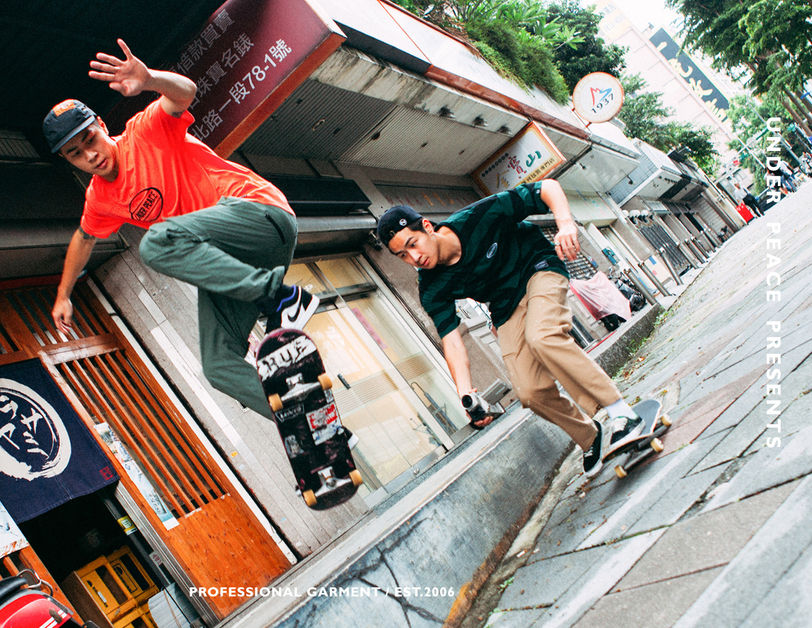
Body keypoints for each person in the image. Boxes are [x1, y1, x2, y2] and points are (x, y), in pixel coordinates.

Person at [43, 39, 319, 421]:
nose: (90, 155)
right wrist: (63, 295)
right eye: (76, 153)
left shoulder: (144, 131)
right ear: (68, 160)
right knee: (218, 365)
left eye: (90, 140)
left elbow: (185, 93)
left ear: (102, 127)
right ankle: (304, 420)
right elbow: (84, 238)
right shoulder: (99, 198)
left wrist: (150, 80)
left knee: (157, 241)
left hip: (258, 213)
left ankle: (280, 299)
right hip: (239, 262)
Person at [377, 180, 644, 477]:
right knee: (529, 392)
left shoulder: (479, 216)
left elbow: (548, 188)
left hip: (538, 268)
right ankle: (589, 436)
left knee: (542, 337)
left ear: (427, 227)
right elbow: (451, 341)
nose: (415, 258)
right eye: (403, 255)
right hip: (505, 306)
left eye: (413, 244)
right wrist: (466, 394)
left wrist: (565, 223)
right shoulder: (431, 287)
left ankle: (621, 413)